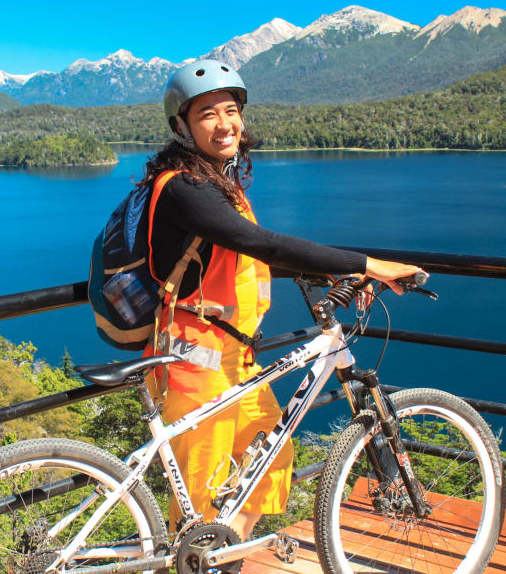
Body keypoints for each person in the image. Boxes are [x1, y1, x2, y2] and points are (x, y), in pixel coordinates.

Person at [141, 59, 423, 540]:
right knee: (199, 505)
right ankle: (194, 559)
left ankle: (220, 559)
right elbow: (265, 245)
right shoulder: (184, 189)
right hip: (195, 367)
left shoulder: (215, 185)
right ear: (182, 127)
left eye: (231, 110)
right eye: (207, 114)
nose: (225, 123)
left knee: (270, 461)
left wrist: (334, 268)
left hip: (237, 359)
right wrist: (365, 263)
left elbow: (249, 262)